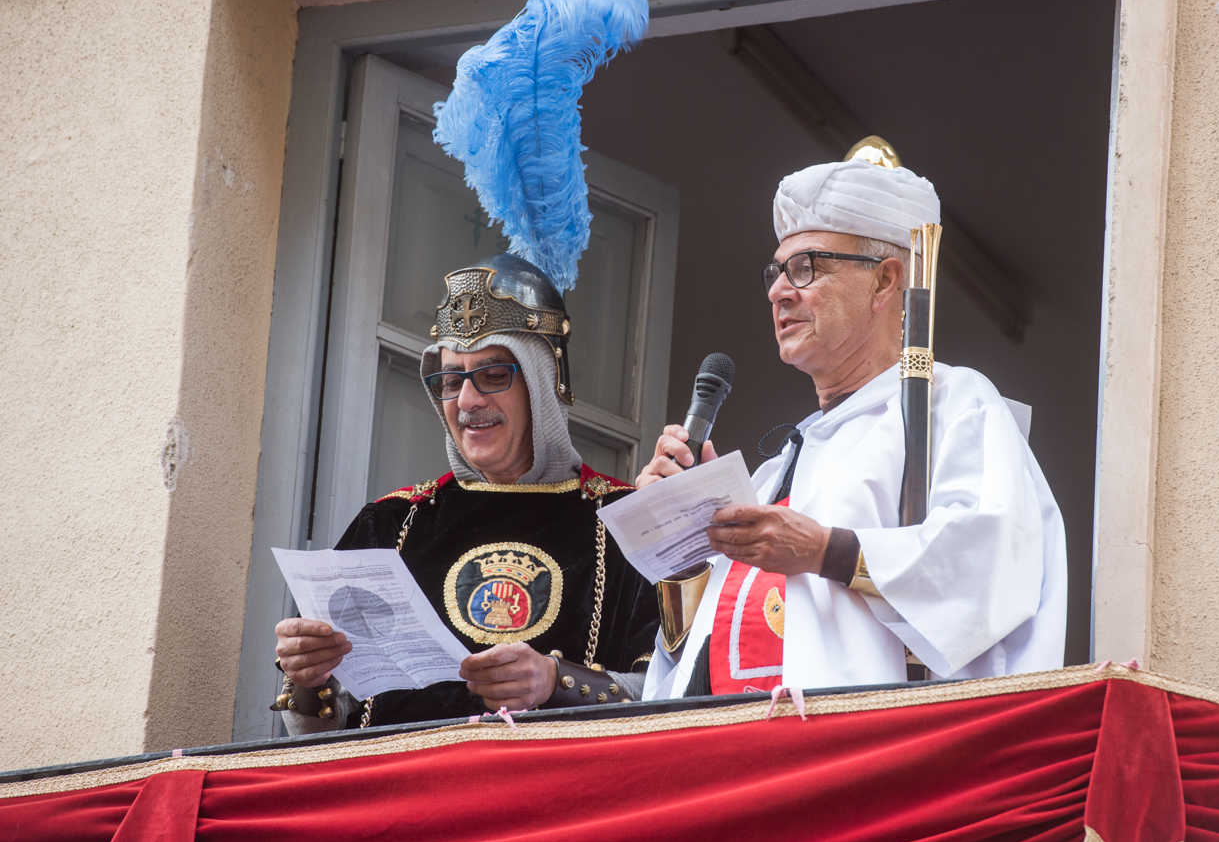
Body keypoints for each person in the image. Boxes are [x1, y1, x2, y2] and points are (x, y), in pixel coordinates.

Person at [638, 158, 1067, 699]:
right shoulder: (776, 472)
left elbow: (986, 573)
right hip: (735, 750)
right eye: (776, 273)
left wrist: (827, 551)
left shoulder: (954, 405)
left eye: (806, 268)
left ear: (885, 280)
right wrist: (681, 545)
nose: (778, 292)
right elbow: (690, 657)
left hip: (859, 755)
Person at [274, 254, 658, 732]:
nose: (468, 401)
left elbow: (673, 696)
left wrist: (554, 680)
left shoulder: (627, 521)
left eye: (494, 375)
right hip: (397, 797)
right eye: (451, 380)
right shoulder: (390, 523)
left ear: (542, 382)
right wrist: (309, 676)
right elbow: (316, 735)